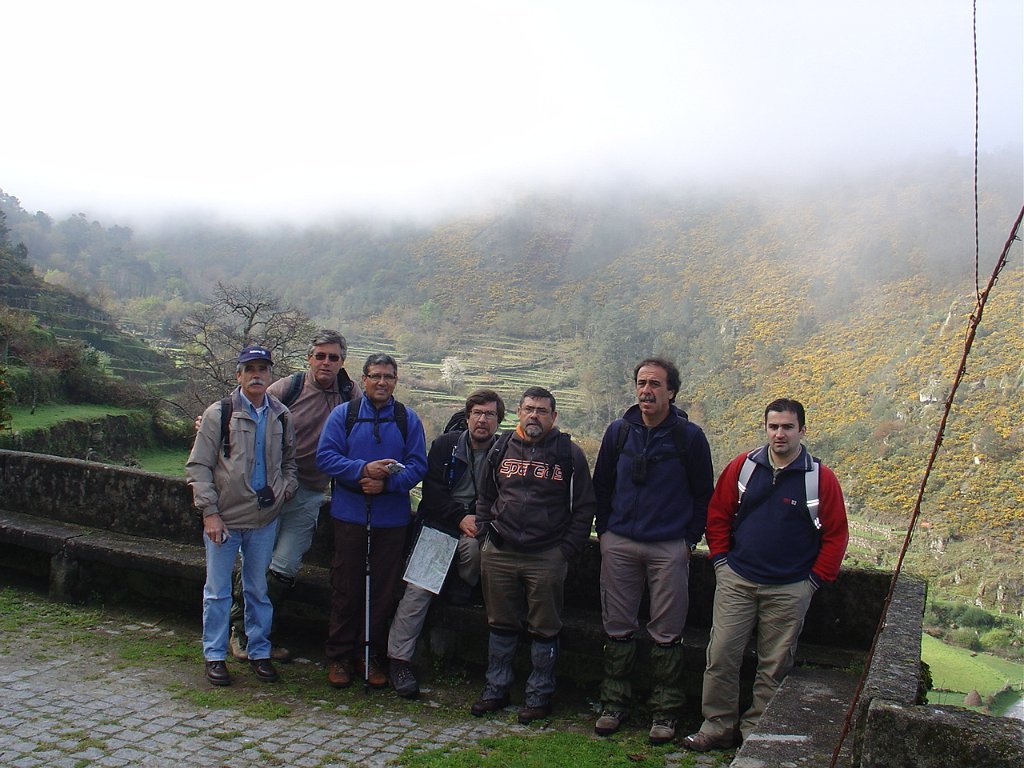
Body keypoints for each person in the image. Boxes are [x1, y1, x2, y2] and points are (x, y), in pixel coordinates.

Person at [683, 398, 849, 752]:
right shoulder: (743, 467)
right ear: (766, 428)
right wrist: (722, 562)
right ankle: (717, 726)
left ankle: (756, 733)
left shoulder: (820, 478)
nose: (779, 434)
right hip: (738, 579)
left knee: (774, 666)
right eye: (773, 426)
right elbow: (718, 515)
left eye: (787, 427)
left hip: (790, 586)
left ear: (802, 430)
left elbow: (836, 534)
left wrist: (813, 581)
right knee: (721, 655)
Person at [591, 357, 715, 744]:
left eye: (655, 384)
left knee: (667, 629)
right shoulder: (618, 432)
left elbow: (702, 493)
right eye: (642, 383)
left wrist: (688, 539)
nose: (646, 390)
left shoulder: (689, 438)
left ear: (671, 391)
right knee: (617, 624)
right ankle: (613, 704)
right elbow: (603, 485)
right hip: (621, 543)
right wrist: (607, 530)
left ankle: (665, 712)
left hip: (667, 545)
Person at [229, 329, 360, 663]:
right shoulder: (289, 387)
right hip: (271, 487)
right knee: (255, 562)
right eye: (320, 356)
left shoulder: (350, 395)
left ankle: (252, 633)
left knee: (284, 565)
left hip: (311, 492)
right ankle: (242, 635)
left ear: (342, 361)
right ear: (309, 358)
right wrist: (212, 422)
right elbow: (245, 403)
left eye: (333, 357)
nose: (326, 362)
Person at [470, 386, 596, 724]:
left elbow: (584, 508)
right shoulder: (501, 448)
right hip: (500, 550)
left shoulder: (569, 455)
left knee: (545, 628)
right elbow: (484, 495)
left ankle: (539, 696)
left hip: (546, 554)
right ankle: (495, 689)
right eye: (528, 409)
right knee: (500, 623)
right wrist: (485, 533)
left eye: (542, 410)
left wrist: (566, 550)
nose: (534, 416)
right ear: (518, 412)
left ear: (554, 416)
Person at [186, 345, 297, 687]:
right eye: (250, 369)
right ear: (238, 375)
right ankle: (215, 656)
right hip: (224, 519)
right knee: (217, 591)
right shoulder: (220, 413)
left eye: (263, 369)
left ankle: (258, 652)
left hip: (264, 519)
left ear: (270, 375)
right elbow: (199, 467)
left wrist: (285, 490)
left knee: (258, 590)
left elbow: (291, 462)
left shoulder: (281, 414)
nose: (256, 375)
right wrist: (210, 513)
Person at [316, 353, 428, 689]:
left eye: (388, 376)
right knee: (345, 587)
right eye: (375, 375)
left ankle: (370, 654)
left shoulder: (408, 419)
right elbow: (326, 457)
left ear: (396, 381)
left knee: (382, 591)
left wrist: (387, 483)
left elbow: (418, 465)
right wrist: (362, 471)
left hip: (391, 521)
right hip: (349, 516)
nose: (382, 382)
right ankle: (338, 656)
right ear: (363, 379)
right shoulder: (344, 416)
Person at [386, 389, 506, 698]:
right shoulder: (445, 446)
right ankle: (399, 659)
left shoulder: (505, 452)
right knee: (416, 592)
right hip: (439, 527)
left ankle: (460, 588)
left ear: (499, 420)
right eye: (477, 413)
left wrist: (478, 520)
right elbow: (433, 493)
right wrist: (458, 518)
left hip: (477, 529)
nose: (482, 420)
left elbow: (505, 497)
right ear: (467, 417)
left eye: (490, 414)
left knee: (475, 552)